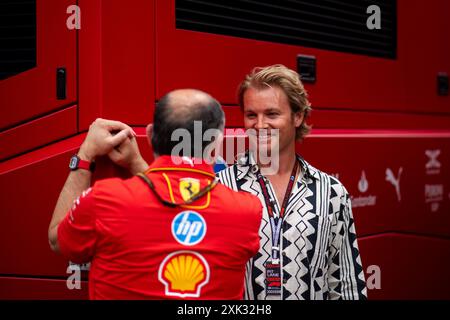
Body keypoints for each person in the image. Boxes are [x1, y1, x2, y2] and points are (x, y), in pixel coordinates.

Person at [79, 65, 367, 300]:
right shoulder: (219, 184)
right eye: (251, 115)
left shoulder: (332, 192)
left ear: (298, 116)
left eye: (272, 114)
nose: (260, 125)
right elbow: (167, 205)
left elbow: (346, 285)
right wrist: (135, 163)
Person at [48, 89, 262, 299]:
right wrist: (135, 164)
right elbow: (182, 199)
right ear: (216, 144)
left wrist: (85, 155)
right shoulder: (247, 211)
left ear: (150, 136)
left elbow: (58, 240)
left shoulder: (104, 200)